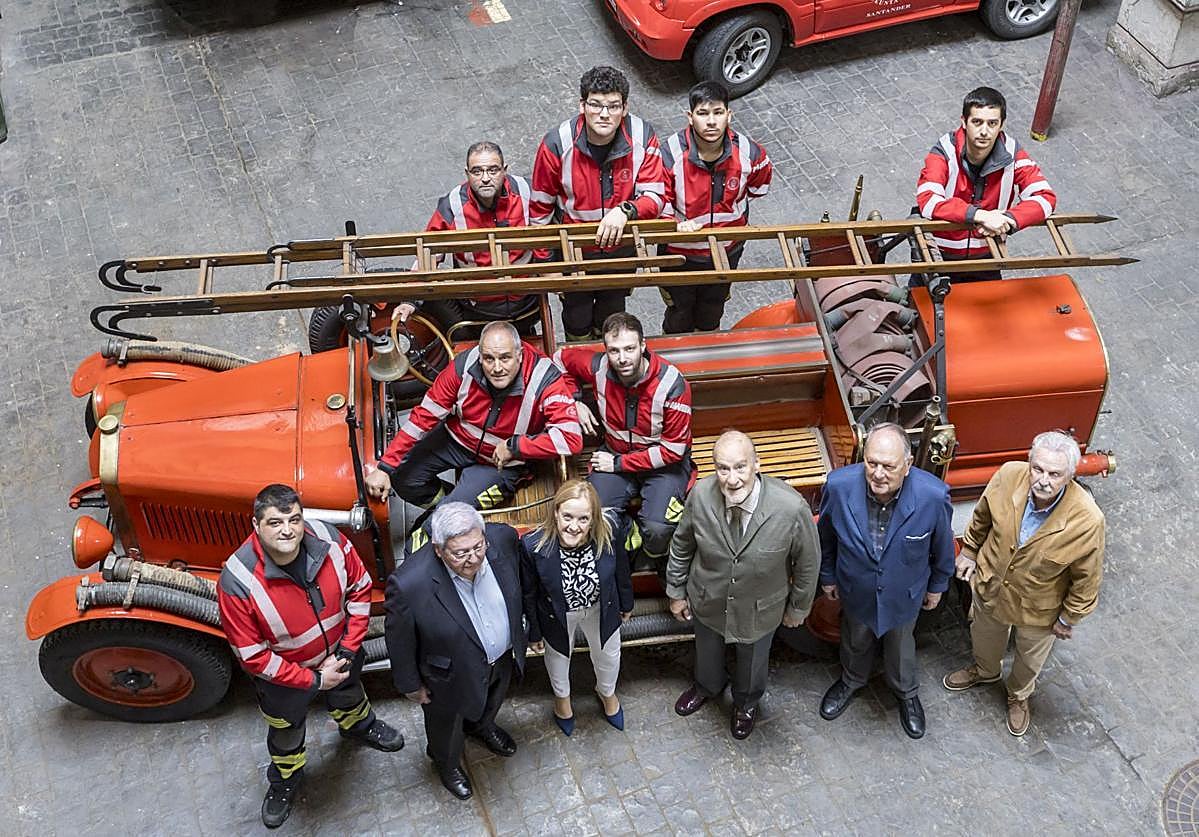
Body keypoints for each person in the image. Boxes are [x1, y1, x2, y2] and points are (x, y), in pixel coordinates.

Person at [217, 484, 403, 829]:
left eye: (294, 519)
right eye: (275, 523)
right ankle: (285, 778)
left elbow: (360, 588)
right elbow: (253, 656)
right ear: (256, 526)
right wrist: (314, 680)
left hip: (342, 655)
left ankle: (358, 726)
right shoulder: (238, 581)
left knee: (350, 695)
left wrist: (348, 648)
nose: (287, 530)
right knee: (286, 729)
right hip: (283, 680)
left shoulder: (329, 540)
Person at [943, 431, 1105, 737]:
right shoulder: (1008, 476)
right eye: (1038, 469)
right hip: (991, 585)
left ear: (1070, 476)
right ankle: (985, 671)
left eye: (1055, 474)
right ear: (1029, 463)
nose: (1043, 479)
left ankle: (1018, 695)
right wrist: (969, 551)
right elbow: (981, 518)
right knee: (983, 635)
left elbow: (1087, 577)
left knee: (1030, 659)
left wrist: (1069, 617)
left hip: (1039, 607)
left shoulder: (1087, 520)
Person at [666, 431, 821, 739]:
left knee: (752, 664)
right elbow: (681, 544)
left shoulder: (790, 508)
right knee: (706, 652)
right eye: (723, 469)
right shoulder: (700, 496)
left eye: (740, 467)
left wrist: (799, 608)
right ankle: (707, 687)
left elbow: (808, 563)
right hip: (708, 598)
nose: (732, 479)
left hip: (760, 609)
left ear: (757, 465)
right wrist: (676, 592)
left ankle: (746, 703)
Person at [817, 423, 954, 739]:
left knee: (901, 646)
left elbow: (942, 546)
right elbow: (825, 538)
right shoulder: (838, 486)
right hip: (856, 589)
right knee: (855, 638)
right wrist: (827, 576)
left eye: (888, 466)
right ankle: (851, 680)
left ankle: (906, 692)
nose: (878, 473)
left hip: (904, 595)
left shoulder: (932, 496)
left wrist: (937, 586)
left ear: (907, 466)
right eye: (871, 463)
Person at [383, 502, 527, 800]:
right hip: (446, 676)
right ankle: (446, 763)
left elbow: (523, 587)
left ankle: (482, 727)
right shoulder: (409, 584)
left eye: (478, 547)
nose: (473, 558)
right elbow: (399, 640)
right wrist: (410, 685)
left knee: (491, 700)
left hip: (499, 659)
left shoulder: (503, 540)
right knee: (445, 728)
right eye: (460, 553)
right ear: (438, 549)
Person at [364, 320, 582, 512]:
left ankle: (452, 510)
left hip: (502, 465)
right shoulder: (463, 366)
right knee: (404, 479)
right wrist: (385, 467)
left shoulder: (545, 378)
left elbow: (571, 439)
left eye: (505, 358)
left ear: (520, 355)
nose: (497, 368)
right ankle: (445, 504)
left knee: (451, 515)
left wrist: (515, 447)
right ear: (480, 354)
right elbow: (422, 418)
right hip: (456, 441)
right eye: (488, 359)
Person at [529, 65, 667, 341]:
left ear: (625, 108)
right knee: (576, 320)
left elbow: (655, 197)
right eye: (596, 105)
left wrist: (626, 210)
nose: (604, 114)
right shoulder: (557, 144)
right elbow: (540, 212)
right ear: (582, 105)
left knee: (612, 318)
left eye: (613, 106)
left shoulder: (642, 135)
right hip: (574, 255)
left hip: (620, 255)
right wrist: (548, 268)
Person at [553, 312, 692, 571]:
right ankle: (627, 543)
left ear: (643, 346)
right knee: (595, 517)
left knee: (658, 529)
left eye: (629, 348)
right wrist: (575, 400)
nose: (622, 358)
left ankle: (652, 560)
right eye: (614, 351)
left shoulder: (673, 385)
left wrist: (618, 464)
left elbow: (673, 451)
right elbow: (559, 360)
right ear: (605, 350)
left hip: (662, 466)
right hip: (615, 454)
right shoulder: (598, 367)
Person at [521, 479, 634, 735]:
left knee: (609, 654)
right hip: (558, 614)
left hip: (599, 607)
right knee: (558, 658)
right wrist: (534, 631)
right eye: (567, 517)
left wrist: (626, 601)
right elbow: (529, 593)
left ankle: (607, 693)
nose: (573, 527)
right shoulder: (533, 545)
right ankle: (562, 700)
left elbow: (621, 569)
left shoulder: (610, 529)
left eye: (583, 519)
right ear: (556, 513)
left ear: (593, 519)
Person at [659, 80, 773, 333]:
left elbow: (757, 188)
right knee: (680, 309)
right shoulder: (668, 154)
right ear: (690, 117)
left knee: (713, 307)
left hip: (727, 250)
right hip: (681, 254)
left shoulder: (751, 154)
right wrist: (675, 225)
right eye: (702, 113)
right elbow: (657, 200)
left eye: (718, 112)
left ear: (728, 114)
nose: (711, 122)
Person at [395, 141, 543, 333]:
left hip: (527, 304)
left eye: (493, 170)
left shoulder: (527, 192)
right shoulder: (453, 205)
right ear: (467, 173)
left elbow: (554, 229)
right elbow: (429, 252)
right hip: (479, 310)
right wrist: (410, 299)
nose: (485, 178)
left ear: (504, 170)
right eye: (477, 171)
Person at [915, 86, 1057, 280]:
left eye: (992, 123)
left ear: (1001, 124)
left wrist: (1008, 219)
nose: (984, 131)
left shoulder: (1012, 153)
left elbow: (1044, 198)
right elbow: (928, 200)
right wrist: (981, 216)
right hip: (938, 257)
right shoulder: (944, 151)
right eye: (977, 122)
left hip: (986, 258)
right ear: (964, 122)